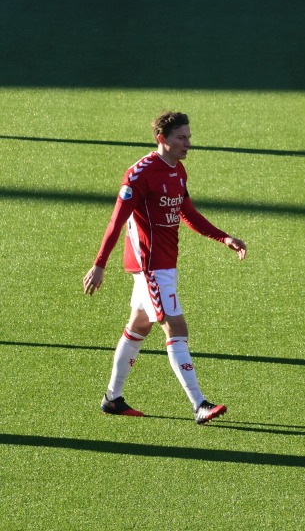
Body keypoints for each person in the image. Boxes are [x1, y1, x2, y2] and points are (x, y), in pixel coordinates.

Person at [83, 111, 247, 425]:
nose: (188, 143)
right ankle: (199, 404)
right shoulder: (139, 174)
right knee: (176, 328)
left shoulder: (178, 170)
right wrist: (99, 265)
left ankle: (112, 398)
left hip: (165, 265)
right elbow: (116, 221)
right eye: (181, 138)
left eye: (188, 136)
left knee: (138, 327)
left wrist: (223, 238)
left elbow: (188, 213)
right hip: (150, 266)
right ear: (163, 139)